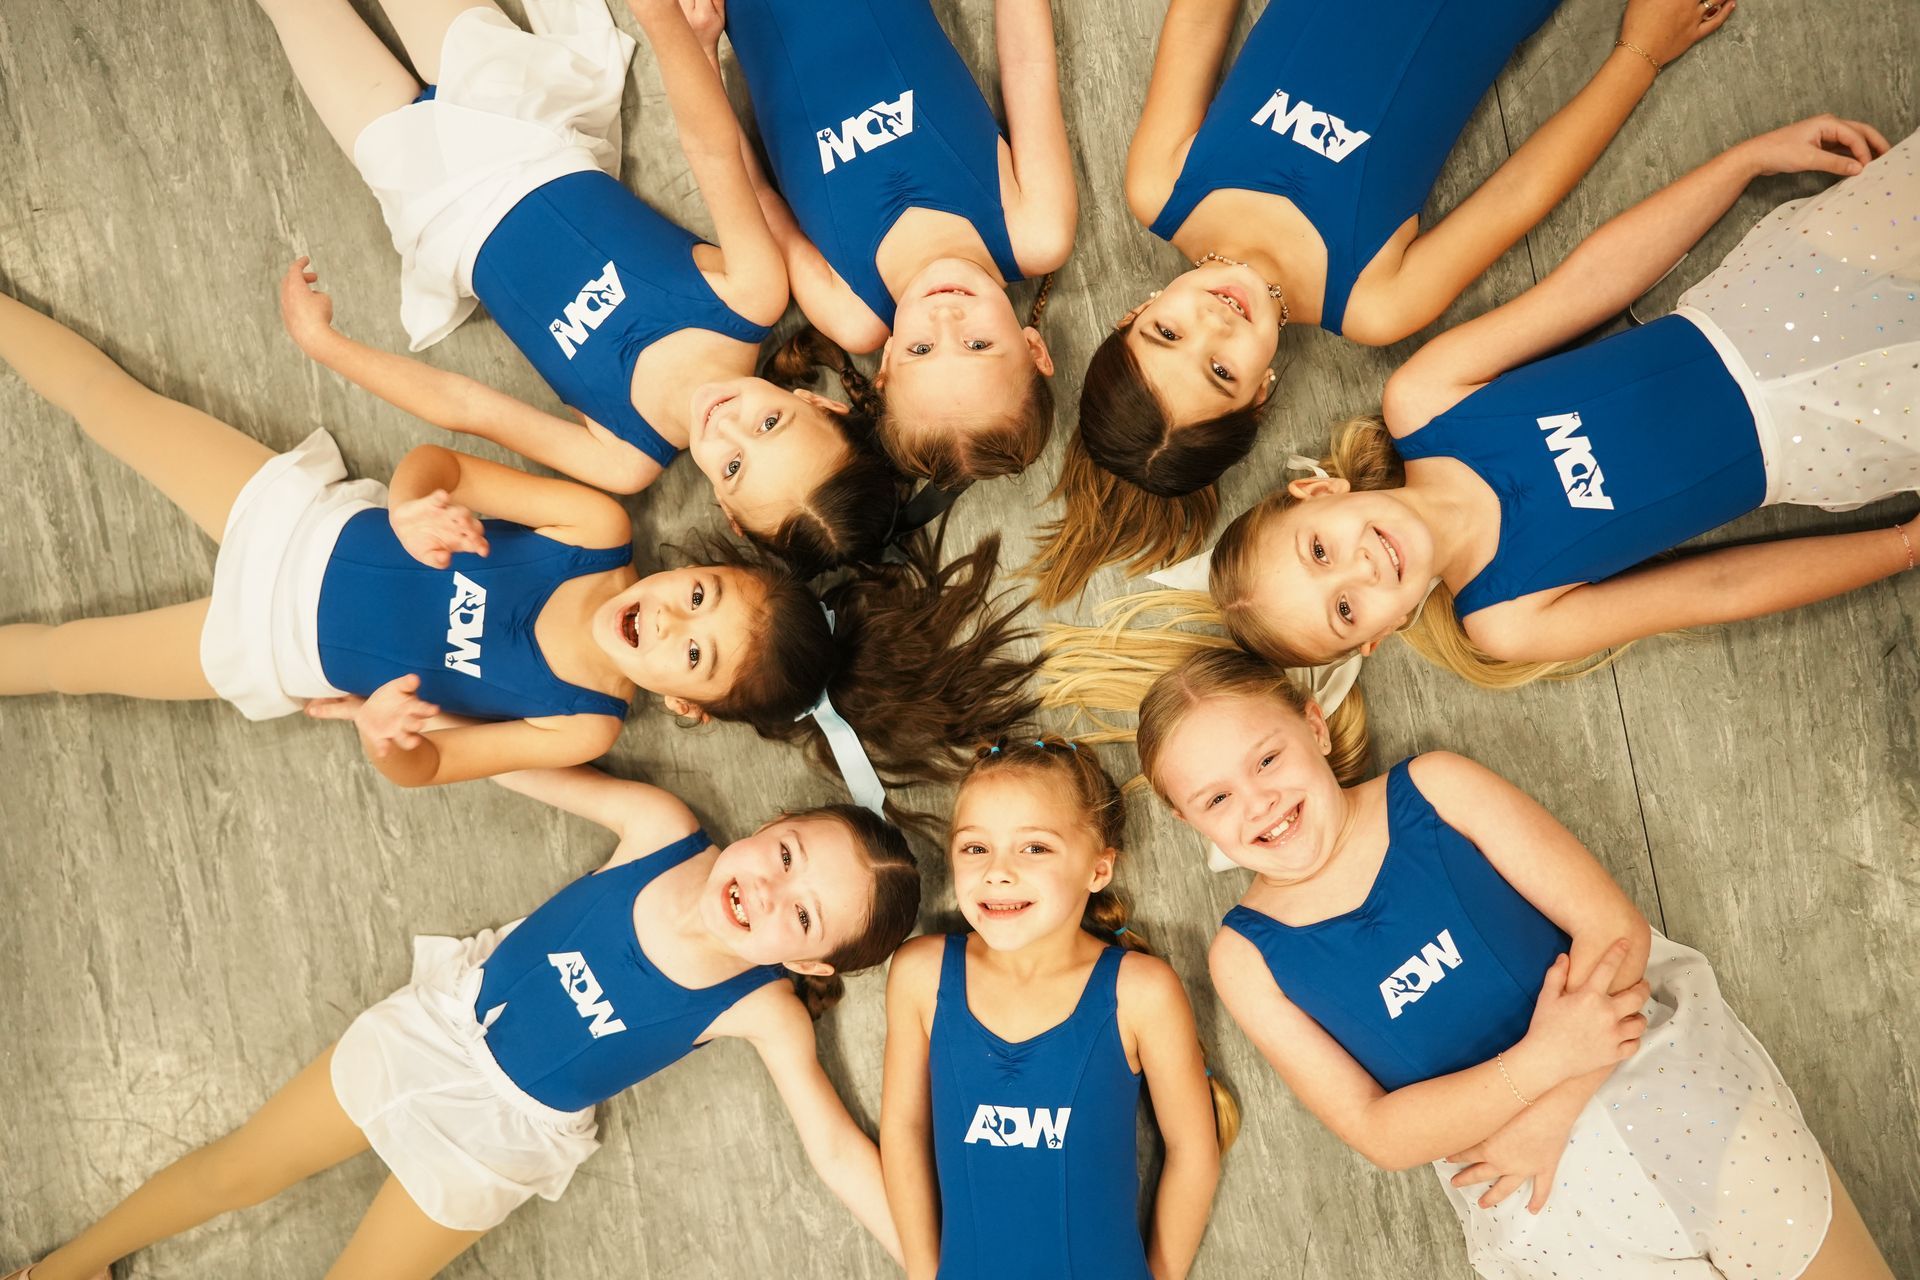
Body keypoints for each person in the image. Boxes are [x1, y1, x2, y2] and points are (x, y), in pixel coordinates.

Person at [0, 286, 1039, 791]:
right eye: (703, 597)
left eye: (692, 652)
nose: (673, 616)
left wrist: (387, 738)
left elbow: (428, 772)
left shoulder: (583, 724)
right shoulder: (594, 528)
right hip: (296, 519)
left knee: (56, 660)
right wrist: (411, 503)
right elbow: (439, 464)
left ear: (685, 704)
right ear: (709, 560)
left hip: (270, 649)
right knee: (108, 398)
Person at [1132, 648, 1894, 1280]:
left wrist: (1552, 1104)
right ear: (1184, 818)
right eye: (1217, 798)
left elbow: (1612, 929)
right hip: (1550, 1209)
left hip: (1675, 1095)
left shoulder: (1436, 788)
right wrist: (1541, 1064)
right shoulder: (1246, 958)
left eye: (1267, 759)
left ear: (1314, 724)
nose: (1259, 801)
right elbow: (1379, 1132)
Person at [2, 764, 921, 1280]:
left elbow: (839, 1153)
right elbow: (512, 762)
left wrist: (937, 1267)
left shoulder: (760, 1007)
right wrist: (412, 734)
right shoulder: (660, 829)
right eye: (789, 855)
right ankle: (61, 1272)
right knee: (240, 1166)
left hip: (504, 1137)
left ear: (807, 964)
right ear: (777, 819)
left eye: (801, 917)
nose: (766, 891)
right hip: (437, 1029)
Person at [1030, 0, 1732, 604]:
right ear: (1261, 396)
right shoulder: (1373, 301)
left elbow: (1201, 16)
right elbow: (1519, 194)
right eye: (1221, 372)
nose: (1212, 324)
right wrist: (1639, 55)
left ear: (1133, 313)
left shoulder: (1163, 185)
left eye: (1165, 333)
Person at [1204, 116, 1918, 685]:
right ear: (1377, 638)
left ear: (1318, 490)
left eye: (1320, 549)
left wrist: (1744, 163)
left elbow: (1591, 283)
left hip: (1774, 295)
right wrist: (1901, 547)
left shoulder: (1424, 402)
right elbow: (1718, 588)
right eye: (1345, 609)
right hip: (1833, 434)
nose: (1359, 567)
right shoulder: (1508, 620)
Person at [257, 0, 901, 570]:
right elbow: (710, 148)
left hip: (430, 203)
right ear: (821, 405)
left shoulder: (625, 458)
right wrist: (662, 22)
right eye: (769, 424)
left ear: (727, 511)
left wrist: (328, 347)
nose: (727, 425)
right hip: (516, 116)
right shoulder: (750, 298)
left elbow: (472, 408)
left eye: (733, 467)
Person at [880, 736, 1233, 1279]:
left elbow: (1192, 1150)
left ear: (1098, 869)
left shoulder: (1139, 992)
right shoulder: (921, 975)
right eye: (975, 848)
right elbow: (903, 1129)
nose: (997, 871)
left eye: (1034, 847)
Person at [707, 0, 1077, 487]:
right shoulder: (1034, 232)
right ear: (1034, 350)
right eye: (978, 344)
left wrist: (699, 55)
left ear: (884, 366)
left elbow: (752, 195)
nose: (945, 318)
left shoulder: (852, 313)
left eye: (921, 349)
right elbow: (1028, 65)